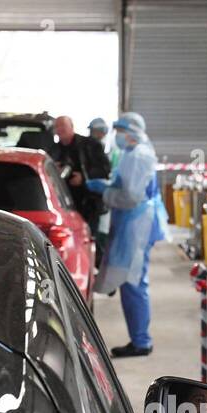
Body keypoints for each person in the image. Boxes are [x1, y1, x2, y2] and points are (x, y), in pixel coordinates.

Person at [86, 112, 167, 357]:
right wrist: (110, 185)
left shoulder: (139, 155)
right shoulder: (132, 154)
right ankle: (139, 338)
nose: (117, 135)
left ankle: (141, 342)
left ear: (131, 132)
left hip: (137, 224)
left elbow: (131, 197)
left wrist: (105, 192)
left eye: (120, 130)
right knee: (132, 282)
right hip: (134, 222)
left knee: (133, 281)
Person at [52, 115, 111, 235]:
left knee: (88, 239)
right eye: (57, 126)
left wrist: (84, 178)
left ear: (72, 126)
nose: (60, 129)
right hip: (63, 206)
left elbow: (105, 170)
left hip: (88, 205)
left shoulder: (91, 145)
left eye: (63, 125)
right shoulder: (52, 150)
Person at [88, 118, 113, 266]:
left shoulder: (99, 148)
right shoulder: (91, 147)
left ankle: (100, 264)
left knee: (99, 235)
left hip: (99, 200)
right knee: (97, 235)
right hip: (95, 201)